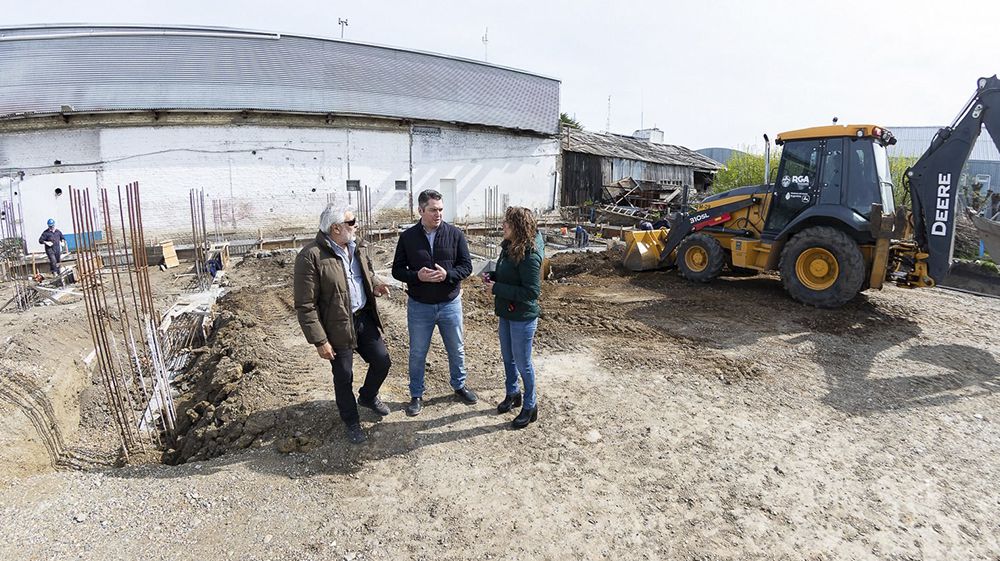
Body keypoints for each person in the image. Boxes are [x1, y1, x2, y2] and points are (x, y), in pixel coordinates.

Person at [294, 203, 392, 445]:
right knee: (344, 375)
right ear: (335, 228)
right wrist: (320, 340)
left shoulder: (358, 247)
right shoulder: (311, 257)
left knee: (382, 360)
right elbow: (305, 304)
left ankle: (368, 397)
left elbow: (366, 274)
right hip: (335, 326)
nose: (356, 225)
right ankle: (351, 421)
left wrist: (376, 285)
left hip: (362, 318)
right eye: (351, 222)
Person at [391, 189, 476, 416]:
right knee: (418, 352)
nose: (437, 214)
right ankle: (416, 394)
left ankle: (459, 385)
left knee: (456, 349)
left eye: (440, 209)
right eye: (432, 210)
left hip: (450, 304)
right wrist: (415, 276)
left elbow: (466, 267)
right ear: (420, 210)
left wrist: (447, 274)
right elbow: (397, 270)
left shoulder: (455, 234)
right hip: (420, 306)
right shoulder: (408, 238)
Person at [483, 207, 543, 429]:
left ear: (517, 227)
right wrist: (493, 277)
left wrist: (497, 288)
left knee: (523, 363)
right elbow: (509, 276)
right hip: (506, 313)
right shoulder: (508, 247)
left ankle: (530, 405)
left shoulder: (530, 255)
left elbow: (531, 292)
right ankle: (513, 394)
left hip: (522, 318)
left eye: (506, 223)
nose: (502, 226)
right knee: (507, 358)